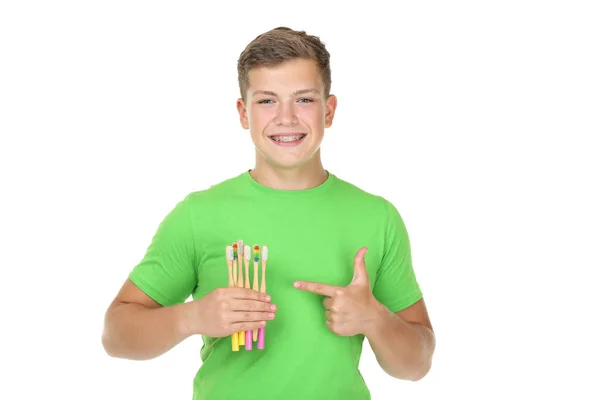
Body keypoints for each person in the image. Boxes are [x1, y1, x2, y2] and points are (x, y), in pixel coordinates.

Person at [101, 26, 436, 399]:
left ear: (329, 110)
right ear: (244, 113)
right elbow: (116, 336)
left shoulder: (378, 217)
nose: (287, 118)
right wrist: (191, 317)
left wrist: (375, 320)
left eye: (304, 99)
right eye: (267, 101)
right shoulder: (198, 215)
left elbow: (417, 365)